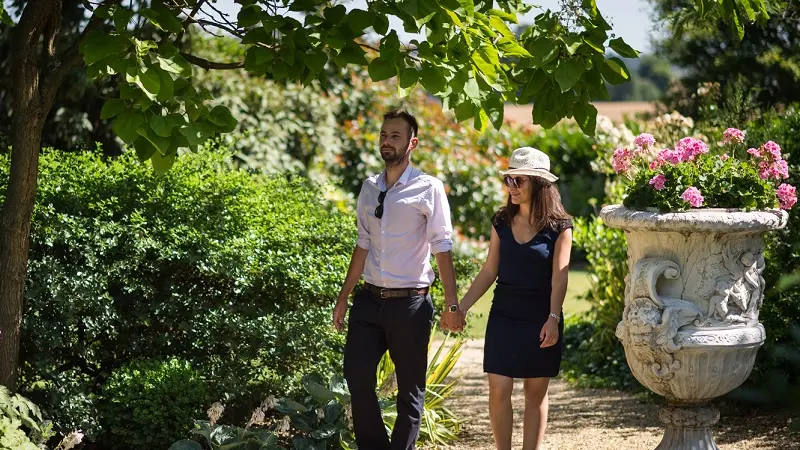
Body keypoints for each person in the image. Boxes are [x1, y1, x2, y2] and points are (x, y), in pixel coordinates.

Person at [332, 109, 463, 450]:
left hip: (411, 303)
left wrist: (452, 304)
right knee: (357, 377)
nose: (387, 142)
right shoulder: (369, 187)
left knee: (410, 390)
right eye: (383, 135)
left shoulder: (428, 188)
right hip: (369, 301)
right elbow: (362, 245)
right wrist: (345, 295)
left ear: (412, 143)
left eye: (395, 136)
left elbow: (442, 248)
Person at [454, 147, 572, 450]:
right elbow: (489, 270)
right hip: (504, 315)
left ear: (539, 184)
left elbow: (560, 276)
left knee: (535, 396)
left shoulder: (560, 227)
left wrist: (553, 318)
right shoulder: (501, 221)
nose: (512, 187)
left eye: (519, 180)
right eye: (510, 180)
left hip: (541, 318)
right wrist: (461, 307)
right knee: (499, 389)